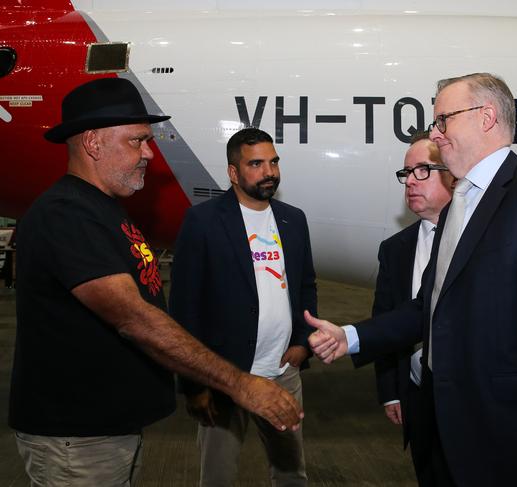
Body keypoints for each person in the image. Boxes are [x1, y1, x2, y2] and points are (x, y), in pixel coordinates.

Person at [307, 73, 517, 487]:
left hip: (514, 446)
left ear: (486, 117)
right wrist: (350, 338)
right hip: (448, 437)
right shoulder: (456, 207)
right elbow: (428, 307)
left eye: (443, 120)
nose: (435, 133)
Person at [8, 78, 302, 487]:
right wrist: (239, 384)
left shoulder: (105, 209)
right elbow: (136, 319)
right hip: (77, 440)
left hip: (108, 430)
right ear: (93, 143)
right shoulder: (67, 215)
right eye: (138, 141)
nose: (150, 153)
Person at [169, 127, 317, 487]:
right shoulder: (202, 222)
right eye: (256, 164)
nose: (269, 172)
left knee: (291, 474)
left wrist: (301, 341)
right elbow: (185, 307)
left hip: (282, 372)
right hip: (225, 377)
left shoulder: (292, 219)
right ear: (233, 173)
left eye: (273, 162)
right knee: (217, 477)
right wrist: (194, 385)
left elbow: (305, 285)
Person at [373, 131, 452, 486]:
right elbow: (386, 320)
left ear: (451, 172)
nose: (410, 182)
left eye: (423, 170)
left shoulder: (480, 237)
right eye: (407, 173)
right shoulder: (394, 249)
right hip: (418, 397)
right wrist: (392, 389)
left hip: (470, 400)